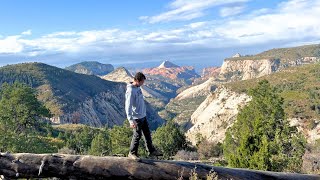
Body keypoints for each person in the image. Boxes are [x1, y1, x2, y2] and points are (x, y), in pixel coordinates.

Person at [125, 72, 162, 160]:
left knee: (147, 134)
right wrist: (131, 120)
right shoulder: (130, 91)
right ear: (137, 80)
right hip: (136, 118)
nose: (143, 84)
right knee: (137, 135)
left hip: (142, 116)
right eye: (142, 82)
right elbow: (128, 106)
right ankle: (132, 153)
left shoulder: (138, 88)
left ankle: (151, 151)